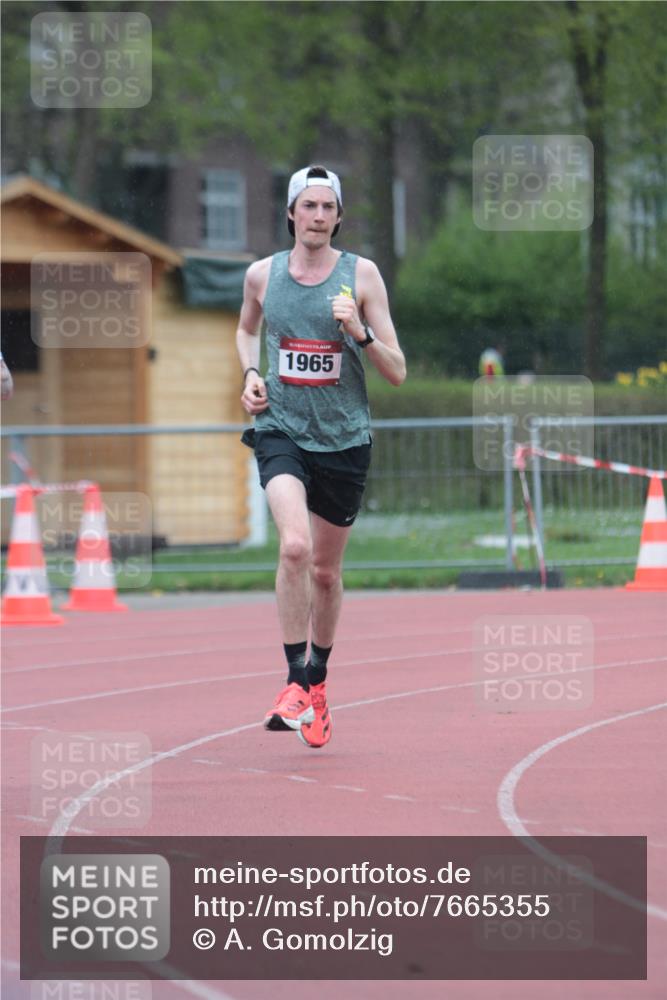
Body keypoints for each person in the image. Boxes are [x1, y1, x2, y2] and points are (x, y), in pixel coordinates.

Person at [236, 164, 406, 749]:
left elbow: (397, 371)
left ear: (338, 216)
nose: (317, 216)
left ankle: (318, 682)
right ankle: (293, 682)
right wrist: (251, 372)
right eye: (307, 206)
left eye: (327, 207)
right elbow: (245, 330)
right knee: (294, 547)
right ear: (290, 214)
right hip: (281, 429)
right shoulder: (262, 275)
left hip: (344, 440)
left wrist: (359, 331)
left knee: (326, 574)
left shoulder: (363, 275)